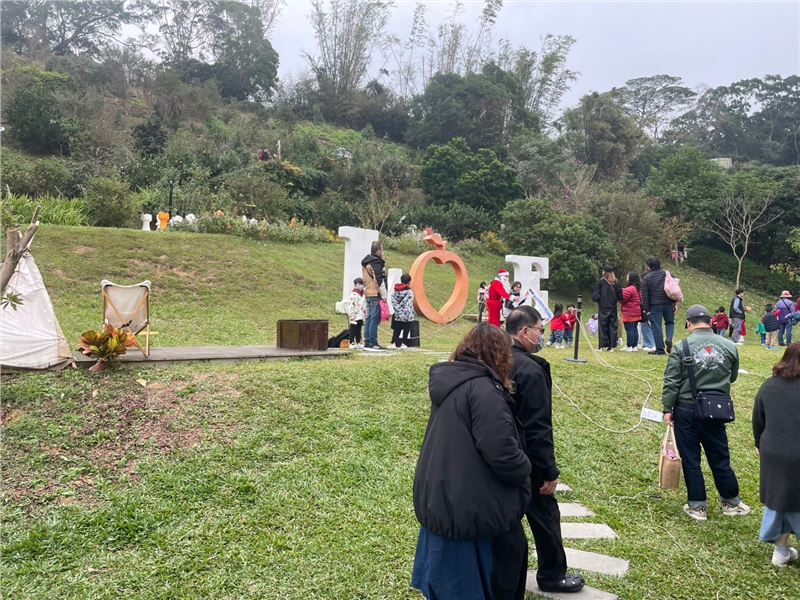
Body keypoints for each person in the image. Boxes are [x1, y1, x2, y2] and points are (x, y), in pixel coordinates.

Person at [412, 325, 532, 599]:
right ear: (499, 354)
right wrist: (526, 468)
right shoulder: (484, 389)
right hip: (469, 510)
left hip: (443, 499)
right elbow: (502, 453)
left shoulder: (452, 382)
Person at [506, 306, 585, 594]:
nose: (542, 335)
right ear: (525, 331)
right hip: (528, 459)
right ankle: (552, 575)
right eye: (540, 330)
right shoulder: (530, 369)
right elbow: (538, 426)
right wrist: (548, 471)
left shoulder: (495, 359)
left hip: (498, 454)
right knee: (545, 515)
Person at [662, 304, 751, 521]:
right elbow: (732, 377)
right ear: (711, 322)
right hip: (716, 408)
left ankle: (697, 506)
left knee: (691, 458)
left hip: (686, 409)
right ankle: (731, 502)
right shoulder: (729, 345)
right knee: (720, 455)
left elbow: (672, 382)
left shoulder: (681, 347)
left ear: (688, 324)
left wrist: (667, 408)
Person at [753, 343, 800, 567]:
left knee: (780, 500)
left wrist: (759, 444)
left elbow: (758, 419)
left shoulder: (769, 385)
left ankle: (780, 551)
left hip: (773, 451)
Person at [641, 257, 676, 356]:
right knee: (670, 322)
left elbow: (645, 296)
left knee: (656, 326)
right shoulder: (668, 274)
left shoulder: (646, 278)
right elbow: (674, 288)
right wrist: (674, 303)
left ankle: (660, 349)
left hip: (655, 305)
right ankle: (669, 339)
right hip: (668, 303)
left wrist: (646, 310)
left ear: (649, 267)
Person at [362, 242, 388, 351]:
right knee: (375, 318)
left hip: (368, 292)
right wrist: (384, 295)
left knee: (369, 318)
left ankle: (367, 341)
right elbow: (379, 280)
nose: (383, 252)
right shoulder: (376, 262)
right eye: (382, 249)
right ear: (378, 251)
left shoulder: (366, 262)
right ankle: (373, 342)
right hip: (375, 293)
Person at [591, 265, 623, 352]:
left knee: (602, 326)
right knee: (613, 326)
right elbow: (620, 297)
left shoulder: (601, 282)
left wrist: (599, 300)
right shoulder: (616, 283)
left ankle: (601, 346)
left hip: (603, 307)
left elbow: (595, 296)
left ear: (604, 272)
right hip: (613, 308)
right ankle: (611, 347)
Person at [621, 272, 643, 352]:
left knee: (629, 329)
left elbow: (622, 299)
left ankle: (629, 345)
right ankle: (634, 346)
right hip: (637, 312)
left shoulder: (630, 289)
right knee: (634, 329)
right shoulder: (637, 288)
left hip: (629, 312)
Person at [392, 274, 415, 349]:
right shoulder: (409, 292)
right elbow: (409, 304)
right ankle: (404, 343)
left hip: (398, 314)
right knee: (406, 329)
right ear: (409, 282)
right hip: (407, 315)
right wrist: (405, 312)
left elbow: (393, 301)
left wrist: (398, 311)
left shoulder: (395, 291)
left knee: (397, 329)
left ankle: (394, 343)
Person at [345, 277, 366, 349]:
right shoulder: (353, 294)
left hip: (361, 315)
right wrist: (351, 315)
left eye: (362, 284)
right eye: (358, 284)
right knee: (353, 329)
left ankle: (358, 342)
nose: (360, 286)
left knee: (359, 329)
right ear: (355, 285)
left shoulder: (363, 294)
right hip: (354, 315)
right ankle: (351, 342)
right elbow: (350, 305)